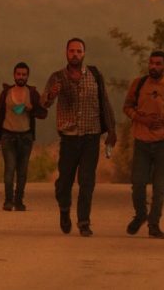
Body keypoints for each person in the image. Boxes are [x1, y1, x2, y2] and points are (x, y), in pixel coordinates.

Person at [41, 38, 116, 237]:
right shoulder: (57, 77)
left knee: (87, 181)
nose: (75, 54)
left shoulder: (94, 75)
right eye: (72, 51)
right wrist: (51, 95)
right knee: (64, 182)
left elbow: (104, 102)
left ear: (84, 54)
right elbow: (43, 104)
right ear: (66, 53)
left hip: (91, 136)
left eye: (79, 51)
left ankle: (84, 222)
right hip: (69, 137)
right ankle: (64, 210)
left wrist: (111, 131)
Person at [123, 50, 164, 239]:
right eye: (151, 63)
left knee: (160, 187)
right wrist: (142, 119)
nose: (153, 67)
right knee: (138, 183)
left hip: (163, 143)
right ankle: (141, 214)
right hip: (141, 141)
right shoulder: (139, 84)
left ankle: (154, 224)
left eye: (158, 64)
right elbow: (127, 107)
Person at [0, 61, 48, 211]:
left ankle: (19, 201)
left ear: (27, 76)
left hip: (26, 136)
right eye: (18, 74)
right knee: (10, 169)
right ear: (14, 75)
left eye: (24, 74)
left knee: (22, 171)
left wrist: (31, 109)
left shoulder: (32, 93)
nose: (21, 77)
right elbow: (0, 114)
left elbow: (43, 113)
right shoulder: (6, 93)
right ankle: (8, 200)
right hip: (8, 135)